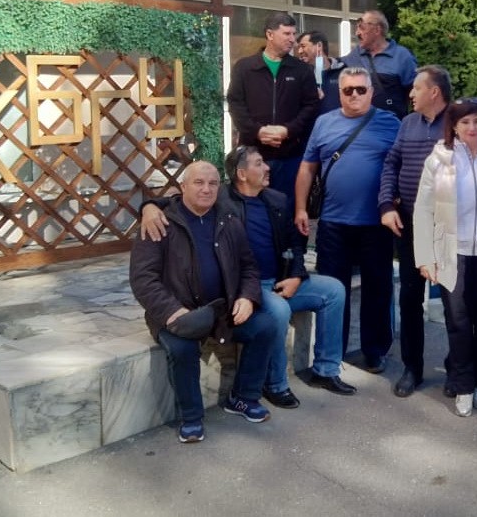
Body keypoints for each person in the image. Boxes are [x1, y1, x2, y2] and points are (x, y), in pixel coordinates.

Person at [140, 148, 357, 410]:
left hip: (281, 280)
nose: (267, 168)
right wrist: (148, 207)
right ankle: (275, 384)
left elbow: (294, 244)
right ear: (242, 174)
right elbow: (180, 199)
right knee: (278, 311)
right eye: (259, 163)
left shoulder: (277, 200)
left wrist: (296, 275)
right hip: (248, 285)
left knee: (334, 290)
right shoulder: (220, 198)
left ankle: (326, 370)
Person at [129, 161, 278, 443]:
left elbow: (249, 267)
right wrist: (172, 311)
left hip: (222, 310)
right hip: (177, 313)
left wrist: (247, 297)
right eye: (198, 182)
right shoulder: (159, 222)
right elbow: (143, 279)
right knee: (183, 348)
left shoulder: (229, 220)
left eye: (212, 183)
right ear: (183, 186)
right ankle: (191, 417)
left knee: (266, 326)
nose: (206, 189)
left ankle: (243, 397)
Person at [295, 67, 401, 373]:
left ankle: (375, 351)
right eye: (348, 90)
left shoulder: (390, 123)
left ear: (371, 92)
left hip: (376, 223)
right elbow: (307, 168)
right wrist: (300, 209)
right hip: (333, 223)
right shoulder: (324, 123)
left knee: (378, 289)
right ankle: (332, 354)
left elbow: (404, 164)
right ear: (339, 93)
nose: (354, 95)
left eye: (361, 89)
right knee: (333, 290)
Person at [413, 97, 477, 417]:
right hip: (453, 253)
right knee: (458, 322)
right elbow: (424, 209)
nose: (472, 127)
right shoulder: (441, 158)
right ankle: (463, 385)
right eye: (465, 122)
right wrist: (426, 257)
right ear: (454, 126)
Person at [378, 65, 452, 398]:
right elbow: (391, 163)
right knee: (410, 298)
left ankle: (457, 366)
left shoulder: (458, 122)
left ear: (433, 92)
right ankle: (413, 368)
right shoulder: (408, 123)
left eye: (416, 88)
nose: (410, 94)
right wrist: (386, 204)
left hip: (448, 228)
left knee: (454, 302)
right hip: (409, 223)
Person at [227, 11, 320, 210]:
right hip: (253, 155)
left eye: (294, 34)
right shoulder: (245, 68)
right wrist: (258, 131)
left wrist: (287, 131)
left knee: (287, 210)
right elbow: (235, 104)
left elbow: (311, 106)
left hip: (291, 157)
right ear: (270, 34)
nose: (293, 40)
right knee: (252, 210)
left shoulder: (302, 70)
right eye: (287, 34)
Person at [340, 10, 417, 119]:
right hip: (360, 124)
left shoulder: (402, 56)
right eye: (357, 28)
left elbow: (417, 93)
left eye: (362, 27)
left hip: (391, 125)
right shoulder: (355, 54)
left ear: (377, 30)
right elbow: (334, 66)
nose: (357, 33)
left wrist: (413, 122)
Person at [296, 30, 346, 115]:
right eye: (299, 48)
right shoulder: (298, 75)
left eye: (303, 46)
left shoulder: (344, 72)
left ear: (319, 46)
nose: (299, 51)